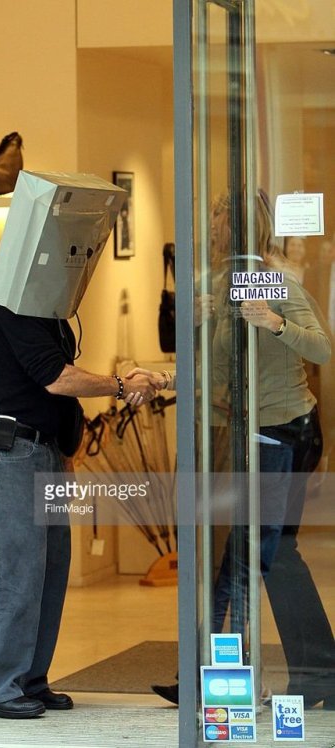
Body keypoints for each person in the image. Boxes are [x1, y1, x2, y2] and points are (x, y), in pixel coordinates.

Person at [151, 192, 335, 709]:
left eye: (218, 217)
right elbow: (214, 372)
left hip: (283, 432)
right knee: (261, 557)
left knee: (253, 557)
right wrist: (185, 336)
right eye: (208, 216)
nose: (210, 226)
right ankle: (303, 673)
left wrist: (274, 323)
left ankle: (225, 676)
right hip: (246, 434)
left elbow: (321, 346)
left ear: (241, 226)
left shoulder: (270, 278)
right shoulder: (214, 283)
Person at [0, 300, 167, 719]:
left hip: (44, 450)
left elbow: (53, 391)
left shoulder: (50, 310)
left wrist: (67, 455)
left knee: (51, 568)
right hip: (9, 452)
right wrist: (122, 386)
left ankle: (29, 679)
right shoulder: (12, 302)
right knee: (15, 570)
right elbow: (56, 379)